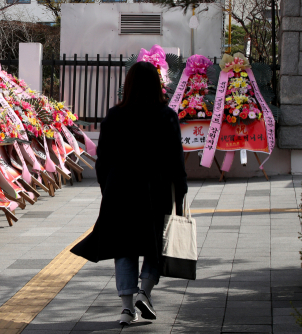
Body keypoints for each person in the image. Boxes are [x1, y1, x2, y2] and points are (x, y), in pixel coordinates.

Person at [70, 61, 188, 326]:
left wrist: (107, 187)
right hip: (154, 190)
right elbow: (175, 159)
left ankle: (126, 308)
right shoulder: (166, 116)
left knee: (125, 248)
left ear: (129, 84)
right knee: (155, 245)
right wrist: (180, 189)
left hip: (120, 189)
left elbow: (103, 158)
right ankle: (144, 293)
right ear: (157, 85)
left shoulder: (114, 115)